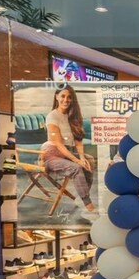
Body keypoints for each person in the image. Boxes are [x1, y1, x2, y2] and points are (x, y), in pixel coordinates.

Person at [40, 85, 96, 220]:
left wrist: (81, 157)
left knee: (89, 160)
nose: (66, 100)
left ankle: (80, 198)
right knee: (76, 167)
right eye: (63, 96)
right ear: (57, 97)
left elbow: (78, 141)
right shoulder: (52, 116)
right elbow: (59, 144)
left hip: (66, 153)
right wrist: (77, 161)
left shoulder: (73, 116)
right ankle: (88, 205)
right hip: (51, 155)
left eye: (69, 97)